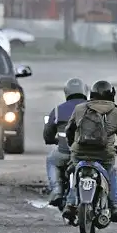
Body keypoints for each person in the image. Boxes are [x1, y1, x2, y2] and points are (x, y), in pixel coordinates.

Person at [64, 80, 117, 223]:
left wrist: (72, 145)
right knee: (110, 173)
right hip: (104, 155)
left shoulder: (80, 108)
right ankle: (114, 206)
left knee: (75, 172)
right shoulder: (116, 112)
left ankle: (70, 204)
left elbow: (69, 130)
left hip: (80, 153)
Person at [42, 77, 89, 207]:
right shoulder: (93, 109)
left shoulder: (58, 110)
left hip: (64, 152)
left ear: (67, 92)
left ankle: (57, 190)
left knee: (51, 160)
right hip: (88, 154)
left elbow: (48, 134)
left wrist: (52, 140)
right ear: (85, 91)